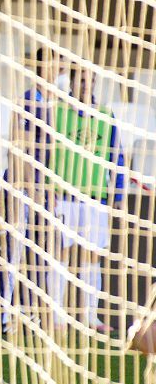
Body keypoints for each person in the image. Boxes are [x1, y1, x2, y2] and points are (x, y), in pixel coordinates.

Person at [48, 64, 124, 332]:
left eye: (89, 80)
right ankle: (55, 316)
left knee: (92, 257)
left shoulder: (105, 115)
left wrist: (118, 191)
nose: (85, 85)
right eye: (80, 80)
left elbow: (117, 156)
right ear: (71, 82)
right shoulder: (56, 112)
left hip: (95, 197)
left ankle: (90, 316)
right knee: (61, 254)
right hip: (64, 195)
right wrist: (48, 186)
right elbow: (45, 152)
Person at [2, 47, 62, 332]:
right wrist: (32, 188)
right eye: (52, 62)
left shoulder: (54, 103)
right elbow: (21, 147)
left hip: (41, 188)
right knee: (16, 251)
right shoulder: (28, 100)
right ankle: (6, 316)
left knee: (40, 253)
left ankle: (33, 314)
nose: (56, 68)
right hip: (22, 187)